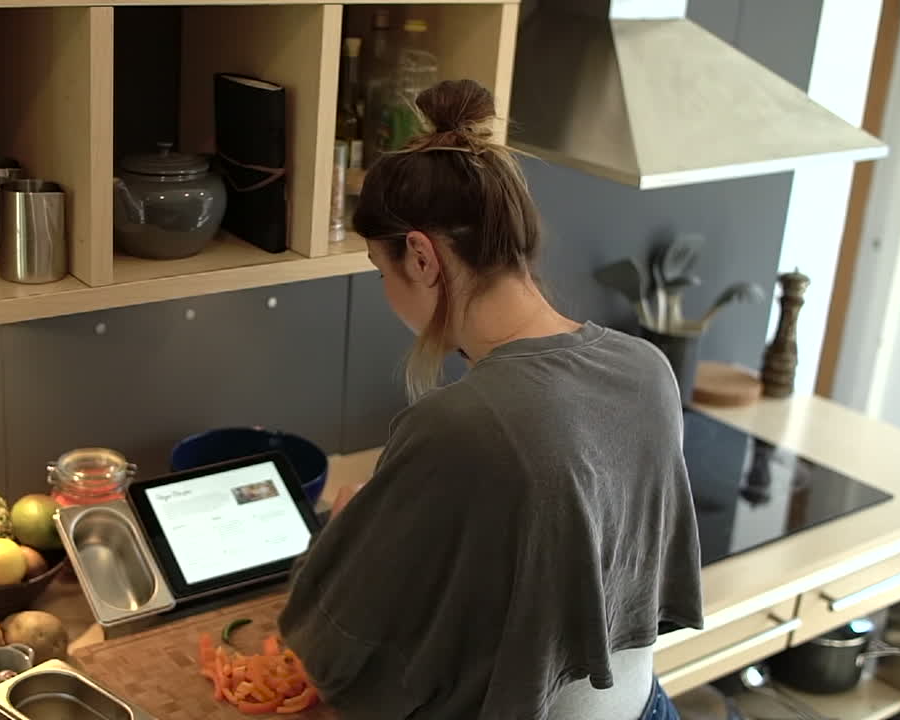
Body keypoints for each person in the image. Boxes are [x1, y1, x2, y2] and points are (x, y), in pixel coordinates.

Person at [279, 79, 703, 720]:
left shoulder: (458, 424)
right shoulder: (647, 368)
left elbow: (333, 642)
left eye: (380, 269)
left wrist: (343, 537)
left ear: (420, 256)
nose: (388, 293)